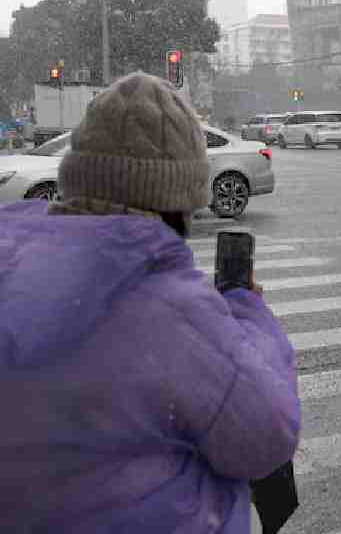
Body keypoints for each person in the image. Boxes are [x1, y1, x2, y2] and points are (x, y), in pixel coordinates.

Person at [0, 73, 300, 534]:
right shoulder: (167, 304)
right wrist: (246, 308)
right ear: (178, 199)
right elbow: (265, 437)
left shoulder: (12, 262)